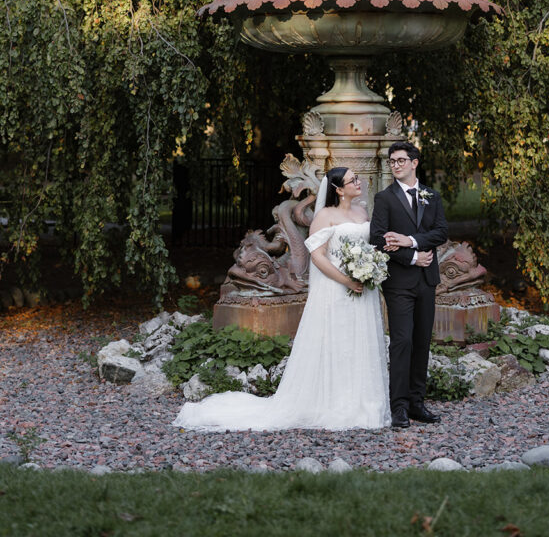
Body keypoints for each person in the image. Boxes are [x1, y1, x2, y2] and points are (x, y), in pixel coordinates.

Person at [173, 167, 390, 431]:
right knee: (338, 341)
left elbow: (367, 247)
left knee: (358, 342)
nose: (359, 182)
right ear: (338, 189)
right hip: (338, 288)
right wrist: (346, 279)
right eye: (352, 180)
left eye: (357, 178)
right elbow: (319, 256)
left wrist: (369, 269)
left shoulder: (361, 212)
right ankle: (334, 403)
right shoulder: (324, 216)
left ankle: (362, 403)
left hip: (361, 289)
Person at [370, 141, 449, 429]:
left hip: (427, 281)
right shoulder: (384, 198)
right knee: (402, 342)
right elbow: (378, 239)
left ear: (415, 162)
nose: (396, 165)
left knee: (421, 342)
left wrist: (411, 240)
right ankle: (399, 407)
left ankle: (417, 403)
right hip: (399, 281)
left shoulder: (432, 196)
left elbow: (441, 231)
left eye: (401, 160)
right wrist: (412, 256)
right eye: (392, 161)